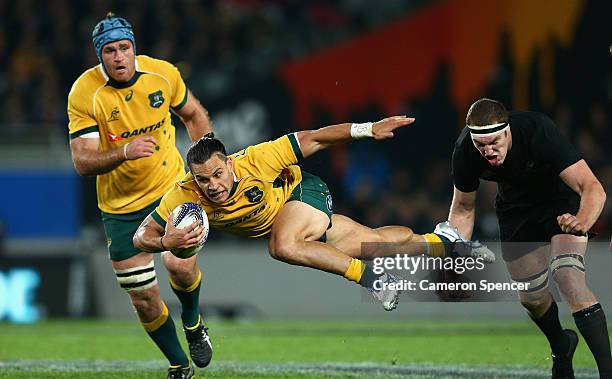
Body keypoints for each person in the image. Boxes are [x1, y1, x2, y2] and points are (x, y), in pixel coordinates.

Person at [133, 115, 494, 315]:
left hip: (303, 192)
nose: (212, 186)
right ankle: (447, 241)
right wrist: (166, 240)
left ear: (229, 163)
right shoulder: (184, 194)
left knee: (283, 246)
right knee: (376, 241)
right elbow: (141, 236)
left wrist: (368, 130)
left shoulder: (260, 159)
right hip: (291, 220)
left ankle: (375, 281)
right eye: (203, 179)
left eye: (217, 174)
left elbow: (317, 138)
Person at [68, 13, 213, 379]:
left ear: (135, 48)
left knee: (180, 267)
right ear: (100, 56)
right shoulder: (85, 92)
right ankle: (180, 366)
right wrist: (123, 152)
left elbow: (193, 114)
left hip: (171, 191)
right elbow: (82, 161)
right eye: (110, 51)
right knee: (145, 300)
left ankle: (194, 325)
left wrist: (207, 160)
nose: (119, 57)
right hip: (120, 208)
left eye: (124, 48)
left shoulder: (163, 74)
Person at [447, 98, 610, 379]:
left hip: (562, 204)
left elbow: (592, 187)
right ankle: (561, 344)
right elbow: (463, 210)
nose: (487, 151)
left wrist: (581, 221)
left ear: (507, 131)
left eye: (494, 142)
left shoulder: (537, 130)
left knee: (568, 278)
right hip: (516, 211)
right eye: (480, 144)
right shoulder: (465, 151)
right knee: (532, 298)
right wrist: (455, 250)